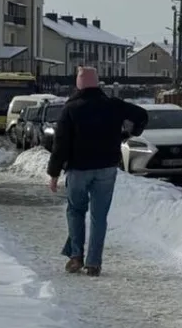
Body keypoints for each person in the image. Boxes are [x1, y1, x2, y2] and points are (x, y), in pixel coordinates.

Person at [47, 67, 148, 276]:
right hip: (106, 168)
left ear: (79, 85)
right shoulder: (113, 105)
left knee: (75, 211)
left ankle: (76, 256)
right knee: (99, 216)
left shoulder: (71, 108)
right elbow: (141, 115)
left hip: (78, 169)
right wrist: (128, 133)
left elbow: (60, 143)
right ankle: (94, 263)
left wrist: (54, 173)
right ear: (98, 84)